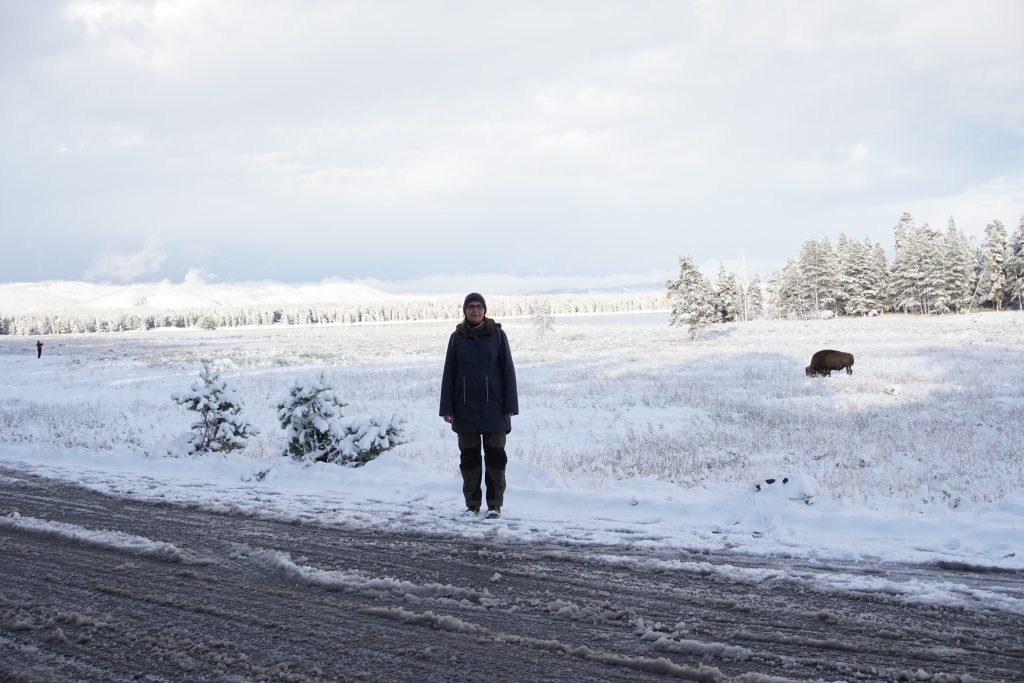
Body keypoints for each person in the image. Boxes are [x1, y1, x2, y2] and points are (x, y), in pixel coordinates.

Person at [439, 293, 518, 518]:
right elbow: (449, 374)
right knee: (470, 461)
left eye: (479, 307)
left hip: (495, 408)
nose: (475, 310)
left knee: (496, 459)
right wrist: (447, 408)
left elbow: (508, 371)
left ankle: (494, 505)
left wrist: (510, 405)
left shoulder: (498, 335)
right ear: (465, 310)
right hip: (465, 411)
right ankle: (472, 505)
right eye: (471, 307)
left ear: (485, 310)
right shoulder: (456, 338)